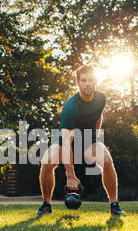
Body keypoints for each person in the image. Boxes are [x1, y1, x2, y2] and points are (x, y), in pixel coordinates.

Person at [36, 64, 125, 216]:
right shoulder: (70, 107)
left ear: (95, 82)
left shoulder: (101, 98)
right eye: (83, 80)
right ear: (77, 83)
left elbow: (98, 115)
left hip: (89, 140)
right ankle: (46, 204)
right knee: (46, 162)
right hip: (67, 140)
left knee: (107, 161)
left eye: (90, 80)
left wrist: (95, 136)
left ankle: (114, 205)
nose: (87, 84)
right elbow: (65, 141)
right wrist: (70, 175)